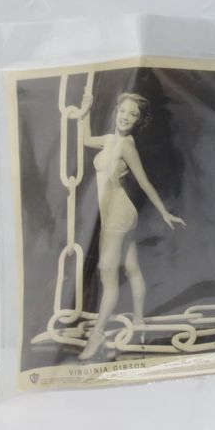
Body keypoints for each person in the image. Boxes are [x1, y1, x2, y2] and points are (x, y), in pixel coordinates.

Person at [78, 92, 186, 360]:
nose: (126, 117)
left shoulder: (126, 146)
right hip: (119, 214)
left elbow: (144, 181)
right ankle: (138, 321)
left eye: (133, 114)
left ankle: (97, 335)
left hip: (118, 215)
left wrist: (164, 212)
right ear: (116, 111)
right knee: (132, 268)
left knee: (107, 276)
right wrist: (85, 110)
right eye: (123, 111)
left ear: (139, 120)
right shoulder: (109, 140)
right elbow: (85, 139)